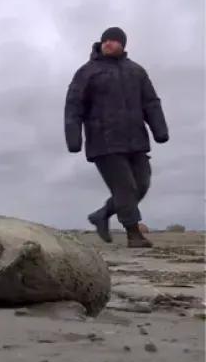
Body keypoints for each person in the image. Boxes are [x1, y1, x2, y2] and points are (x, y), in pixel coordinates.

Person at [64, 27, 168, 248]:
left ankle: (102, 215)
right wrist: (74, 138)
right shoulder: (87, 72)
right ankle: (134, 234)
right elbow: (74, 105)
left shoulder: (136, 71)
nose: (107, 44)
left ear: (122, 44)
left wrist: (160, 130)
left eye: (112, 40)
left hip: (136, 140)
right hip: (103, 140)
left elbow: (150, 102)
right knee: (125, 187)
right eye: (105, 40)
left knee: (141, 184)